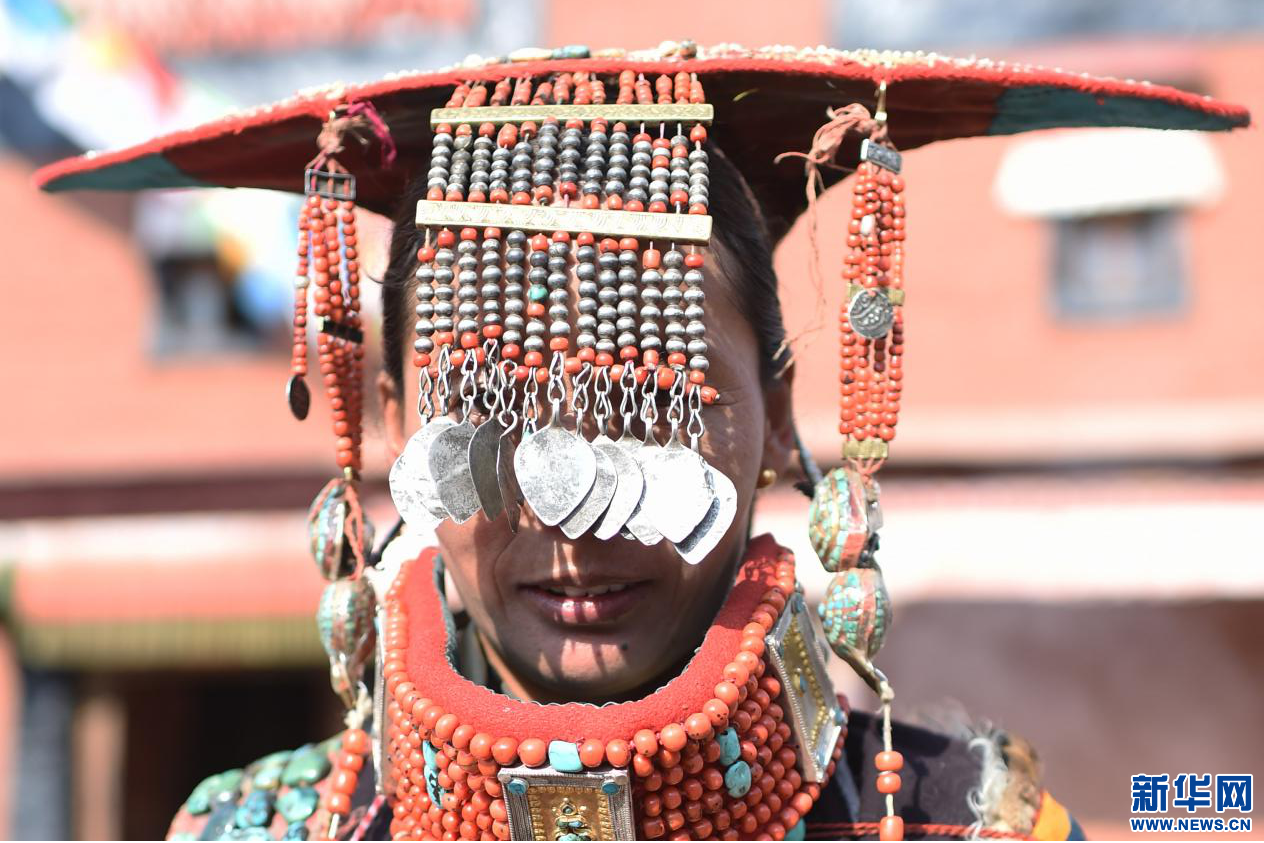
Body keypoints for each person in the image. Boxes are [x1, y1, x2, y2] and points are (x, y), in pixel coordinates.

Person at [37, 41, 1246, 842]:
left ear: (776, 418)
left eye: (652, 405)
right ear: (396, 421)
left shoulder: (957, 822)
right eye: (495, 411)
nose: (574, 511)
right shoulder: (255, 829)